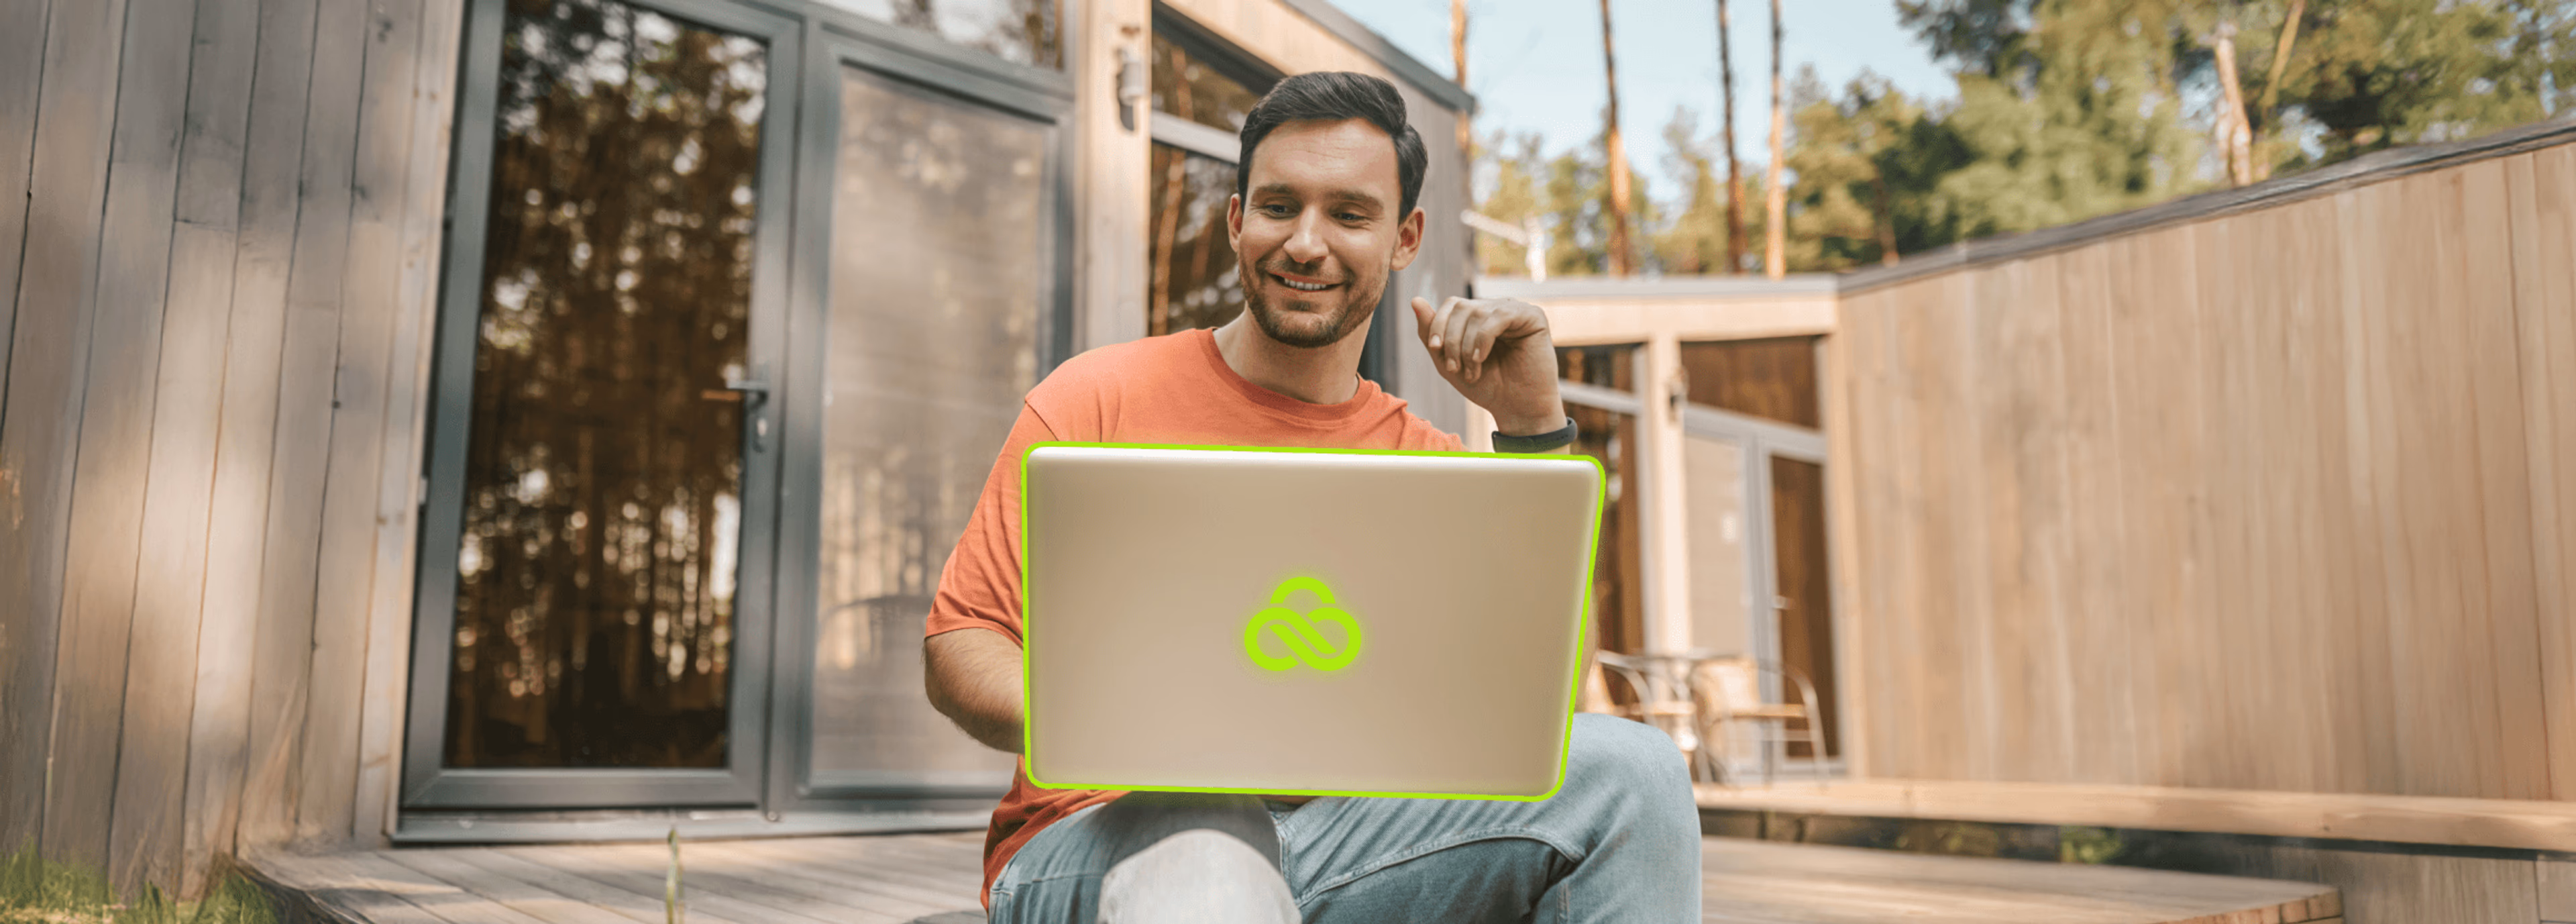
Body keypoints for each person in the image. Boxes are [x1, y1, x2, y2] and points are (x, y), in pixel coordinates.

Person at [921, 70, 1701, 923]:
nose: (1304, 241)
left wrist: (1533, 428)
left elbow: (1548, 704)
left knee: (1639, 772)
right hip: (1111, 831)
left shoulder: (1438, 467)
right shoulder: (1096, 398)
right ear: (1235, 222)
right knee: (1208, 830)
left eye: (1349, 214)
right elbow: (962, 644)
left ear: (1405, 238)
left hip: (1351, 840)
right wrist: (1124, 716)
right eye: (1280, 205)